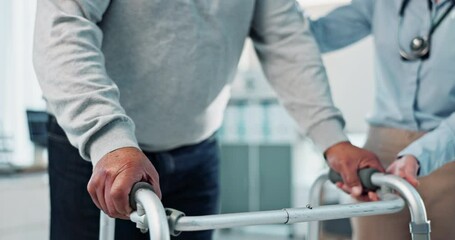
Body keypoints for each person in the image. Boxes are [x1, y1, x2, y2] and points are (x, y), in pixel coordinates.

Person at [33, 1, 384, 239]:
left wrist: (332, 138)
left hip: (197, 152)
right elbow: (63, 31)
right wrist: (109, 141)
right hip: (99, 156)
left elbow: (286, 41)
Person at [308, 0, 455, 239]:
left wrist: (419, 155)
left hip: (449, 154)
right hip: (381, 155)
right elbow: (314, 36)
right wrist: (274, 10)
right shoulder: (380, 3)